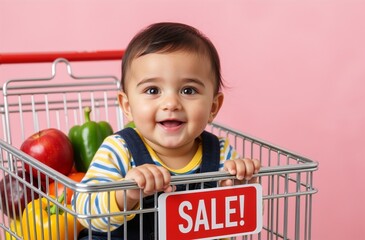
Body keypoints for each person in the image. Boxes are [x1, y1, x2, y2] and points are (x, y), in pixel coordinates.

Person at [73, 22, 261, 240]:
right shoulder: (119, 149)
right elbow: (84, 210)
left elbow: (233, 225)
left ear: (213, 107)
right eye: (152, 90)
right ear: (127, 106)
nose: (171, 103)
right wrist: (127, 194)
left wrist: (241, 188)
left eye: (188, 90)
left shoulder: (221, 155)